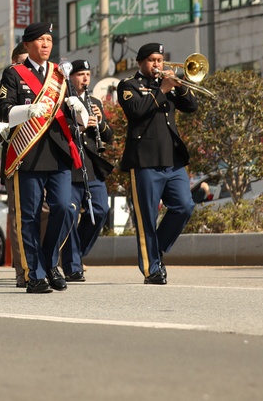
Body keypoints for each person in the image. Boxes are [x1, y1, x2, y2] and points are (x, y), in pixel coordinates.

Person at [0, 22, 83, 294]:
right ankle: (36, 273)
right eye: (41, 40)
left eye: (49, 40)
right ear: (28, 44)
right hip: (28, 153)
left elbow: (70, 113)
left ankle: (49, 261)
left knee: (64, 208)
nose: (46, 45)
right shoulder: (14, 74)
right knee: (29, 216)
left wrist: (77, 108)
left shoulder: (60, 74)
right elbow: (2, 110)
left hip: (57, 153)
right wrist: (28, 110)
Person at [117, 42, 198, 285]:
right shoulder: (128, 85)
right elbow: (136, 111)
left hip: (172, 160)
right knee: (147, 217)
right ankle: (152, 269)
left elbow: (192, 107)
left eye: (160, 60)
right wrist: (162, 89)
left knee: (185, 206)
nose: (157, 64)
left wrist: (180, 88)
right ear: (141, 62)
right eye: (152, 60)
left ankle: (157, 250)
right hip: (145, 160)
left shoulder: (168, 84)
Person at [59, 59, 115, 282]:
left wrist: (100, 123)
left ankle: (75, 254)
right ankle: (73, 266)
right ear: (71, 77)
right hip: (71, 166)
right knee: (71, 214)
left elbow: (108, 136)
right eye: (80, 74)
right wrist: (80, 126)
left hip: (91, 166)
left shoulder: (94, 102)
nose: (84, 79)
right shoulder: (64, 102)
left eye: (87, 74)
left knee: (101, 210)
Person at [0, 43, 29, 287]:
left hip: (44, 158)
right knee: (18, 216)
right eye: (21, 62)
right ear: (14, 62)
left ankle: (46, 262)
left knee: (52, 210)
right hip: (15, 156)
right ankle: (23, 269)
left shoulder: (47, 83)